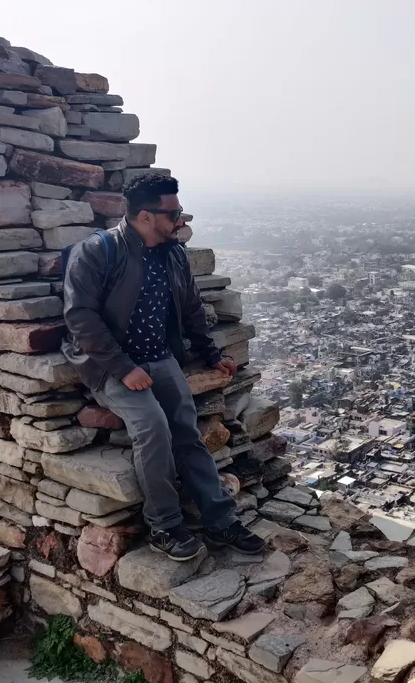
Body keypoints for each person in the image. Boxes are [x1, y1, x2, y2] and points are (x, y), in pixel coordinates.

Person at [61, 173, 264, 561]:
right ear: (145, 217)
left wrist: (210, 353)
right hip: (108, 363)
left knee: (185, 430)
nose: (181, 221)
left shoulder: (173, 254)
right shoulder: (99, 251)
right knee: (152, 428)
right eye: (173, 214)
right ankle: (165, 525)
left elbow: (189, 308)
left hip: (158, 355)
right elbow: (81, 318)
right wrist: (124, 369)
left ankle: (220, 520)